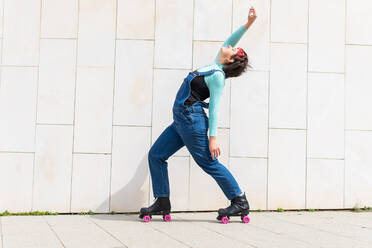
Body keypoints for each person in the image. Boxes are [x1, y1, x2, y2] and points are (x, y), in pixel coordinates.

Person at [139, 6, 257, 222]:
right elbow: (230, 39)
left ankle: (239, 200)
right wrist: (248, 23)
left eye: (233, 49)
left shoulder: (218, 76)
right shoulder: (214, 64)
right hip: (181, 120)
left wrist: (213, 138)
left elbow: (214, 108)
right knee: (156, 155)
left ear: (231, 60)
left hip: (191, 121)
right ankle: (162, 200)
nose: (229, 46)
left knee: (209, 163)